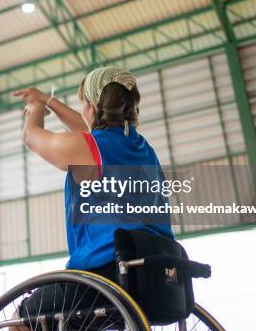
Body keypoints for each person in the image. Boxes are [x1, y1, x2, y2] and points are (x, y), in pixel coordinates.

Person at [10, 66, 173, 329]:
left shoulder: (90, 147)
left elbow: (31, 136)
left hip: (103, 278)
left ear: (92, 105)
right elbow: (89, 130)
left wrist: (35, 109)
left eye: (82, 103)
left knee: (20, 318)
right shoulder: (143, 149)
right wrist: (47, 99)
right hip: (152, 278)